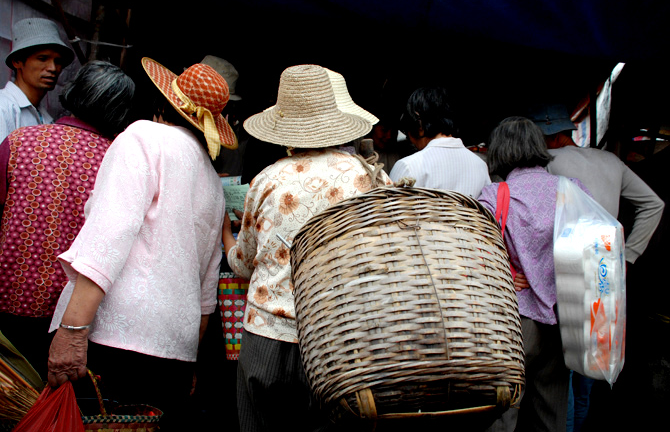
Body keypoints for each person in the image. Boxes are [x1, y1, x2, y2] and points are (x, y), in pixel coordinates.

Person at [46, 58, 237, 431]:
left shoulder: (144, 137)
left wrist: (72, 332)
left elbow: (108, 237)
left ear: (163, 103)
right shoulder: (212, 180)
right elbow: (206, 287)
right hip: (174, 353)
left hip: (114, 341)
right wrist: (191, 357)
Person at [222, 64, 391, 432]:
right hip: (341, 340)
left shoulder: (267, 179)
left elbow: (245, 264)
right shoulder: (370, 177)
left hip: (267, 339)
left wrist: (226, 236)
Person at [528, 104, 665, 431]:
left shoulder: (548, 162)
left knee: (562, 370)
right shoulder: (611, 161)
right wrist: (628, 255)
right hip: (606, 270)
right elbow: (654, 204)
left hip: (567, 270)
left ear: (553, 137)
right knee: (591, 365)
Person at [0, 60, 134, 379]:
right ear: (120, 113)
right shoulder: (118, 161)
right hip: (74, 316)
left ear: (73, 92)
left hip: (9, 300)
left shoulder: (18, 142)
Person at [478, 116, 589, 432]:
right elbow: (593, 245)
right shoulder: (573, 191)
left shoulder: (494, 196)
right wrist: (552, 274)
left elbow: (477, 257)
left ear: (499, 152)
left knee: (501, 415)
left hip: (513, 322)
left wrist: (507, 273)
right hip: (563, 320)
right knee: (552, 415)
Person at [389, 86, 490, 197]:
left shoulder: (408, 166)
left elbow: (390, 206)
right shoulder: (480, 166)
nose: (411, 141)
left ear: (418, 124)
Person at [0, 18, 74, 142]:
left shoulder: (45, 118)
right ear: (17, 62)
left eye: (58, 61)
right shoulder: (3, 108)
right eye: (42, 59)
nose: (53, 68)